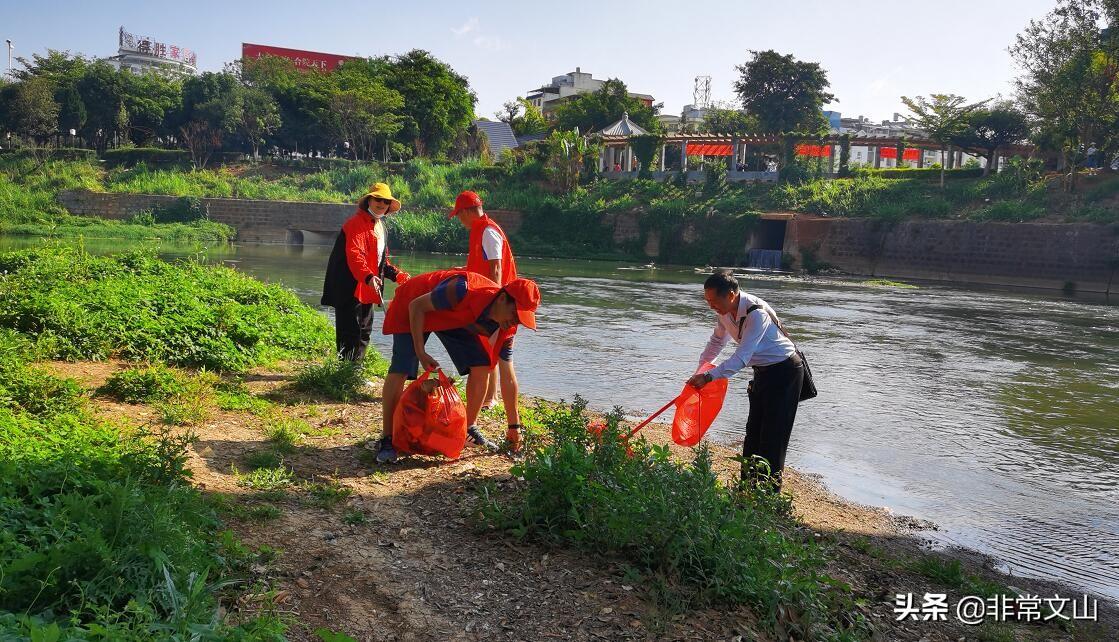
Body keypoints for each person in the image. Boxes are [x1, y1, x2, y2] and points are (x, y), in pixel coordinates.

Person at [371, 269, 541, 464]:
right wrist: (420, 351)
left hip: (453, 317)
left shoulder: (506, 326)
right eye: (515, 314)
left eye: (521, 319)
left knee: (482, 364)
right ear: (502, 299)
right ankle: (387, 439)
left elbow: (508, 376)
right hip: (414, 305)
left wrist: (514, 426)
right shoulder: (461, 289)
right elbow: (416, 306)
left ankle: (468, 428)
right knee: (401, 367)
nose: (515, 321)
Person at [686, 270, 803, 490]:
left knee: (773, 435)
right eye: (707, 301)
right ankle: (747, 488)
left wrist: (710, 376)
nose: (711, 306)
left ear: (730, 295)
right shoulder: (724, 312)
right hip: (762, 371)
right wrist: (701, 369)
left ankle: (768, 495)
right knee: (753, 432)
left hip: (785, 372)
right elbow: (716, 342)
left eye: (713, 301)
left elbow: (741, 357)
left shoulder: (755, 313)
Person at [448, 190, 526, 452]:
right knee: (501, 360)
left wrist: (492, 305)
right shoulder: (482, 230)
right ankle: (512, 426)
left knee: (485, 363)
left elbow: (496, 268)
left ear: (468, 211)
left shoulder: (487, 230)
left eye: (459, 215)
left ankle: (470, 427)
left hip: (497, 309)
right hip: (502, 306)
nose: (459, 221)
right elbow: (483, 266)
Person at [321, 183, 409, 362]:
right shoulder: (355, 224)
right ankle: (344, 373)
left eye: (386, 201)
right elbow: (355, 255)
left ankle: (356, 370)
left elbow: (381, 261)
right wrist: (368, 276)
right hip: (350, 286)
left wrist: (397, 275)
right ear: (369, 200)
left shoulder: (380, 227)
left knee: (365, 331)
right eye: (378, 199)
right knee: (350, 332)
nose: (381, 203)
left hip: (368, 287)